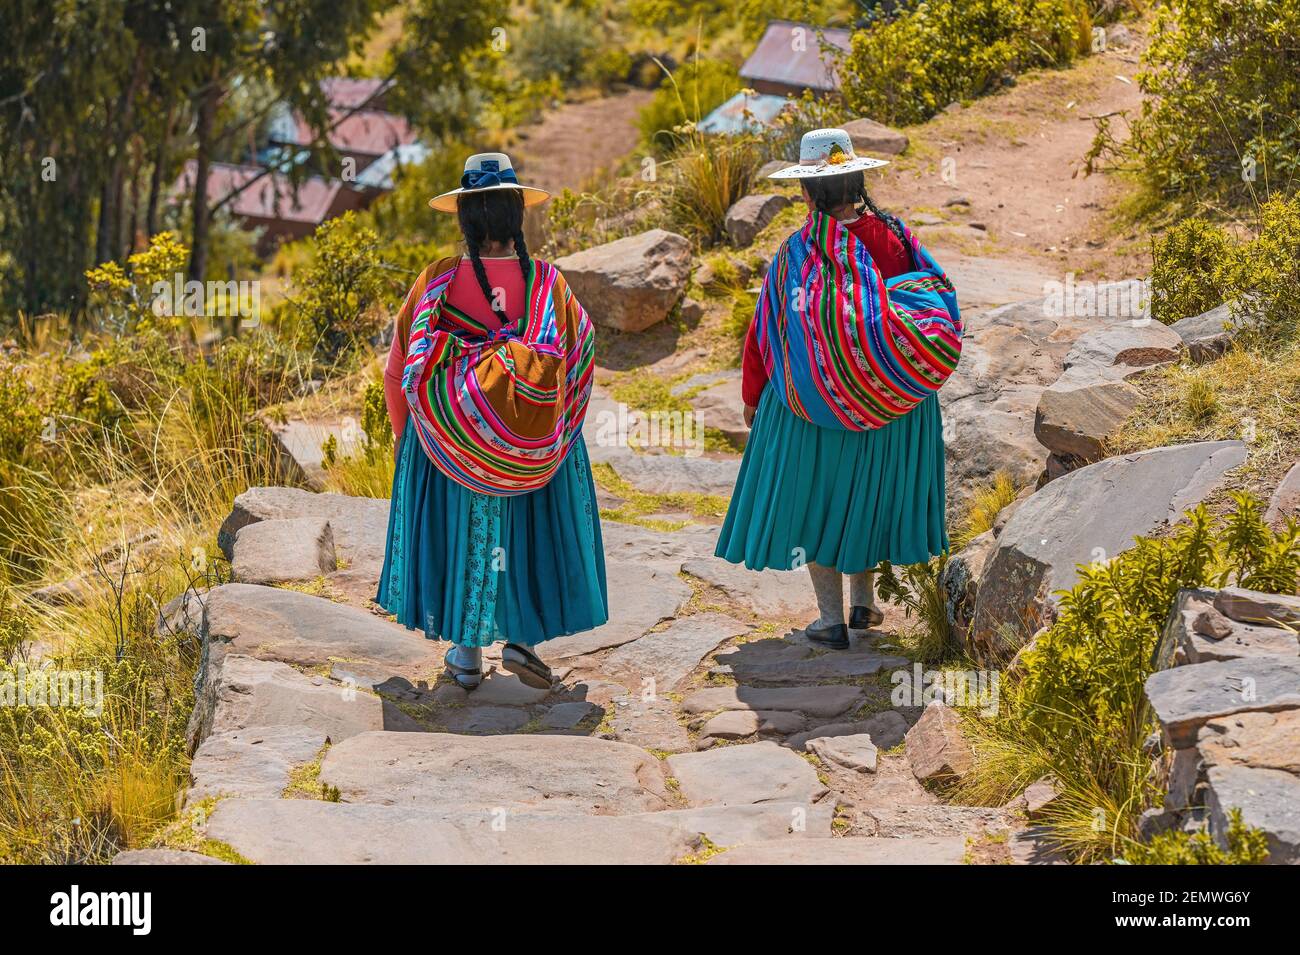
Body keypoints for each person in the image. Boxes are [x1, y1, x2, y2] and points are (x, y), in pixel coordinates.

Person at [715, 128, 962, 649]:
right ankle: (864, 606)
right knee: (867, 500)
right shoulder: (896, 237)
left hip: (815, 409)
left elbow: (767, 331)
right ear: (859, 181)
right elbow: (934, 297)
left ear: (807, 192)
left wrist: (753, 396)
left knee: (818, 504)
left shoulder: (799, 252)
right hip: (896, 404)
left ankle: (829, 619)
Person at [377, 152, 607, 689]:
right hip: (533, 443)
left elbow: (398, 373)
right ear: (515, 218)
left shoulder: (436, 284)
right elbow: (580, 359)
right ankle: (523, 639)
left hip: (451, 447)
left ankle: (465, 656)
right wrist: (556, 430)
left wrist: (406, 440)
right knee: (524, 533)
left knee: (466, 535)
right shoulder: (549, 286)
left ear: (465, 220)